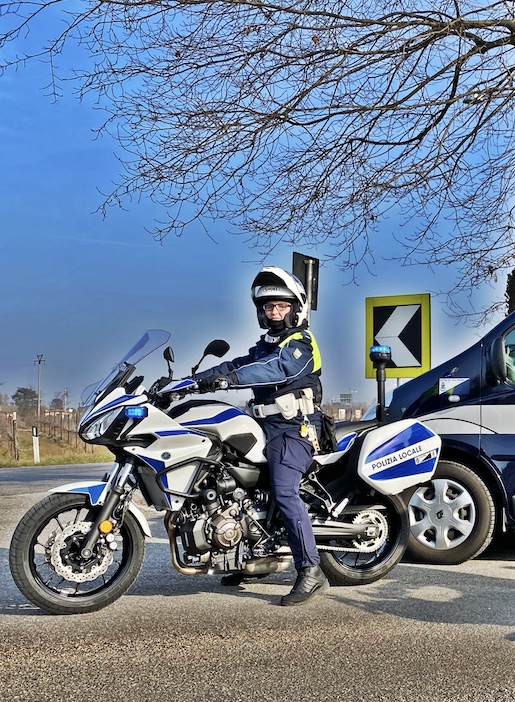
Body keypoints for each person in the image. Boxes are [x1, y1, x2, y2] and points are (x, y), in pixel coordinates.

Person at [195, 266, 329, 606]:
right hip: (262, 428)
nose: (274, 312)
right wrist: (192, 381)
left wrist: (229, 380)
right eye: (269, 306)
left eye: (281, 305)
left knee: (284, 492)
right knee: (231, 482)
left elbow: (276, 369)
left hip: (294, 431)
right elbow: (234, 365)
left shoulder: (301, 344)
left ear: (295, 308)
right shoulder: (264, 346)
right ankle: (247, 555)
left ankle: (311, 570)